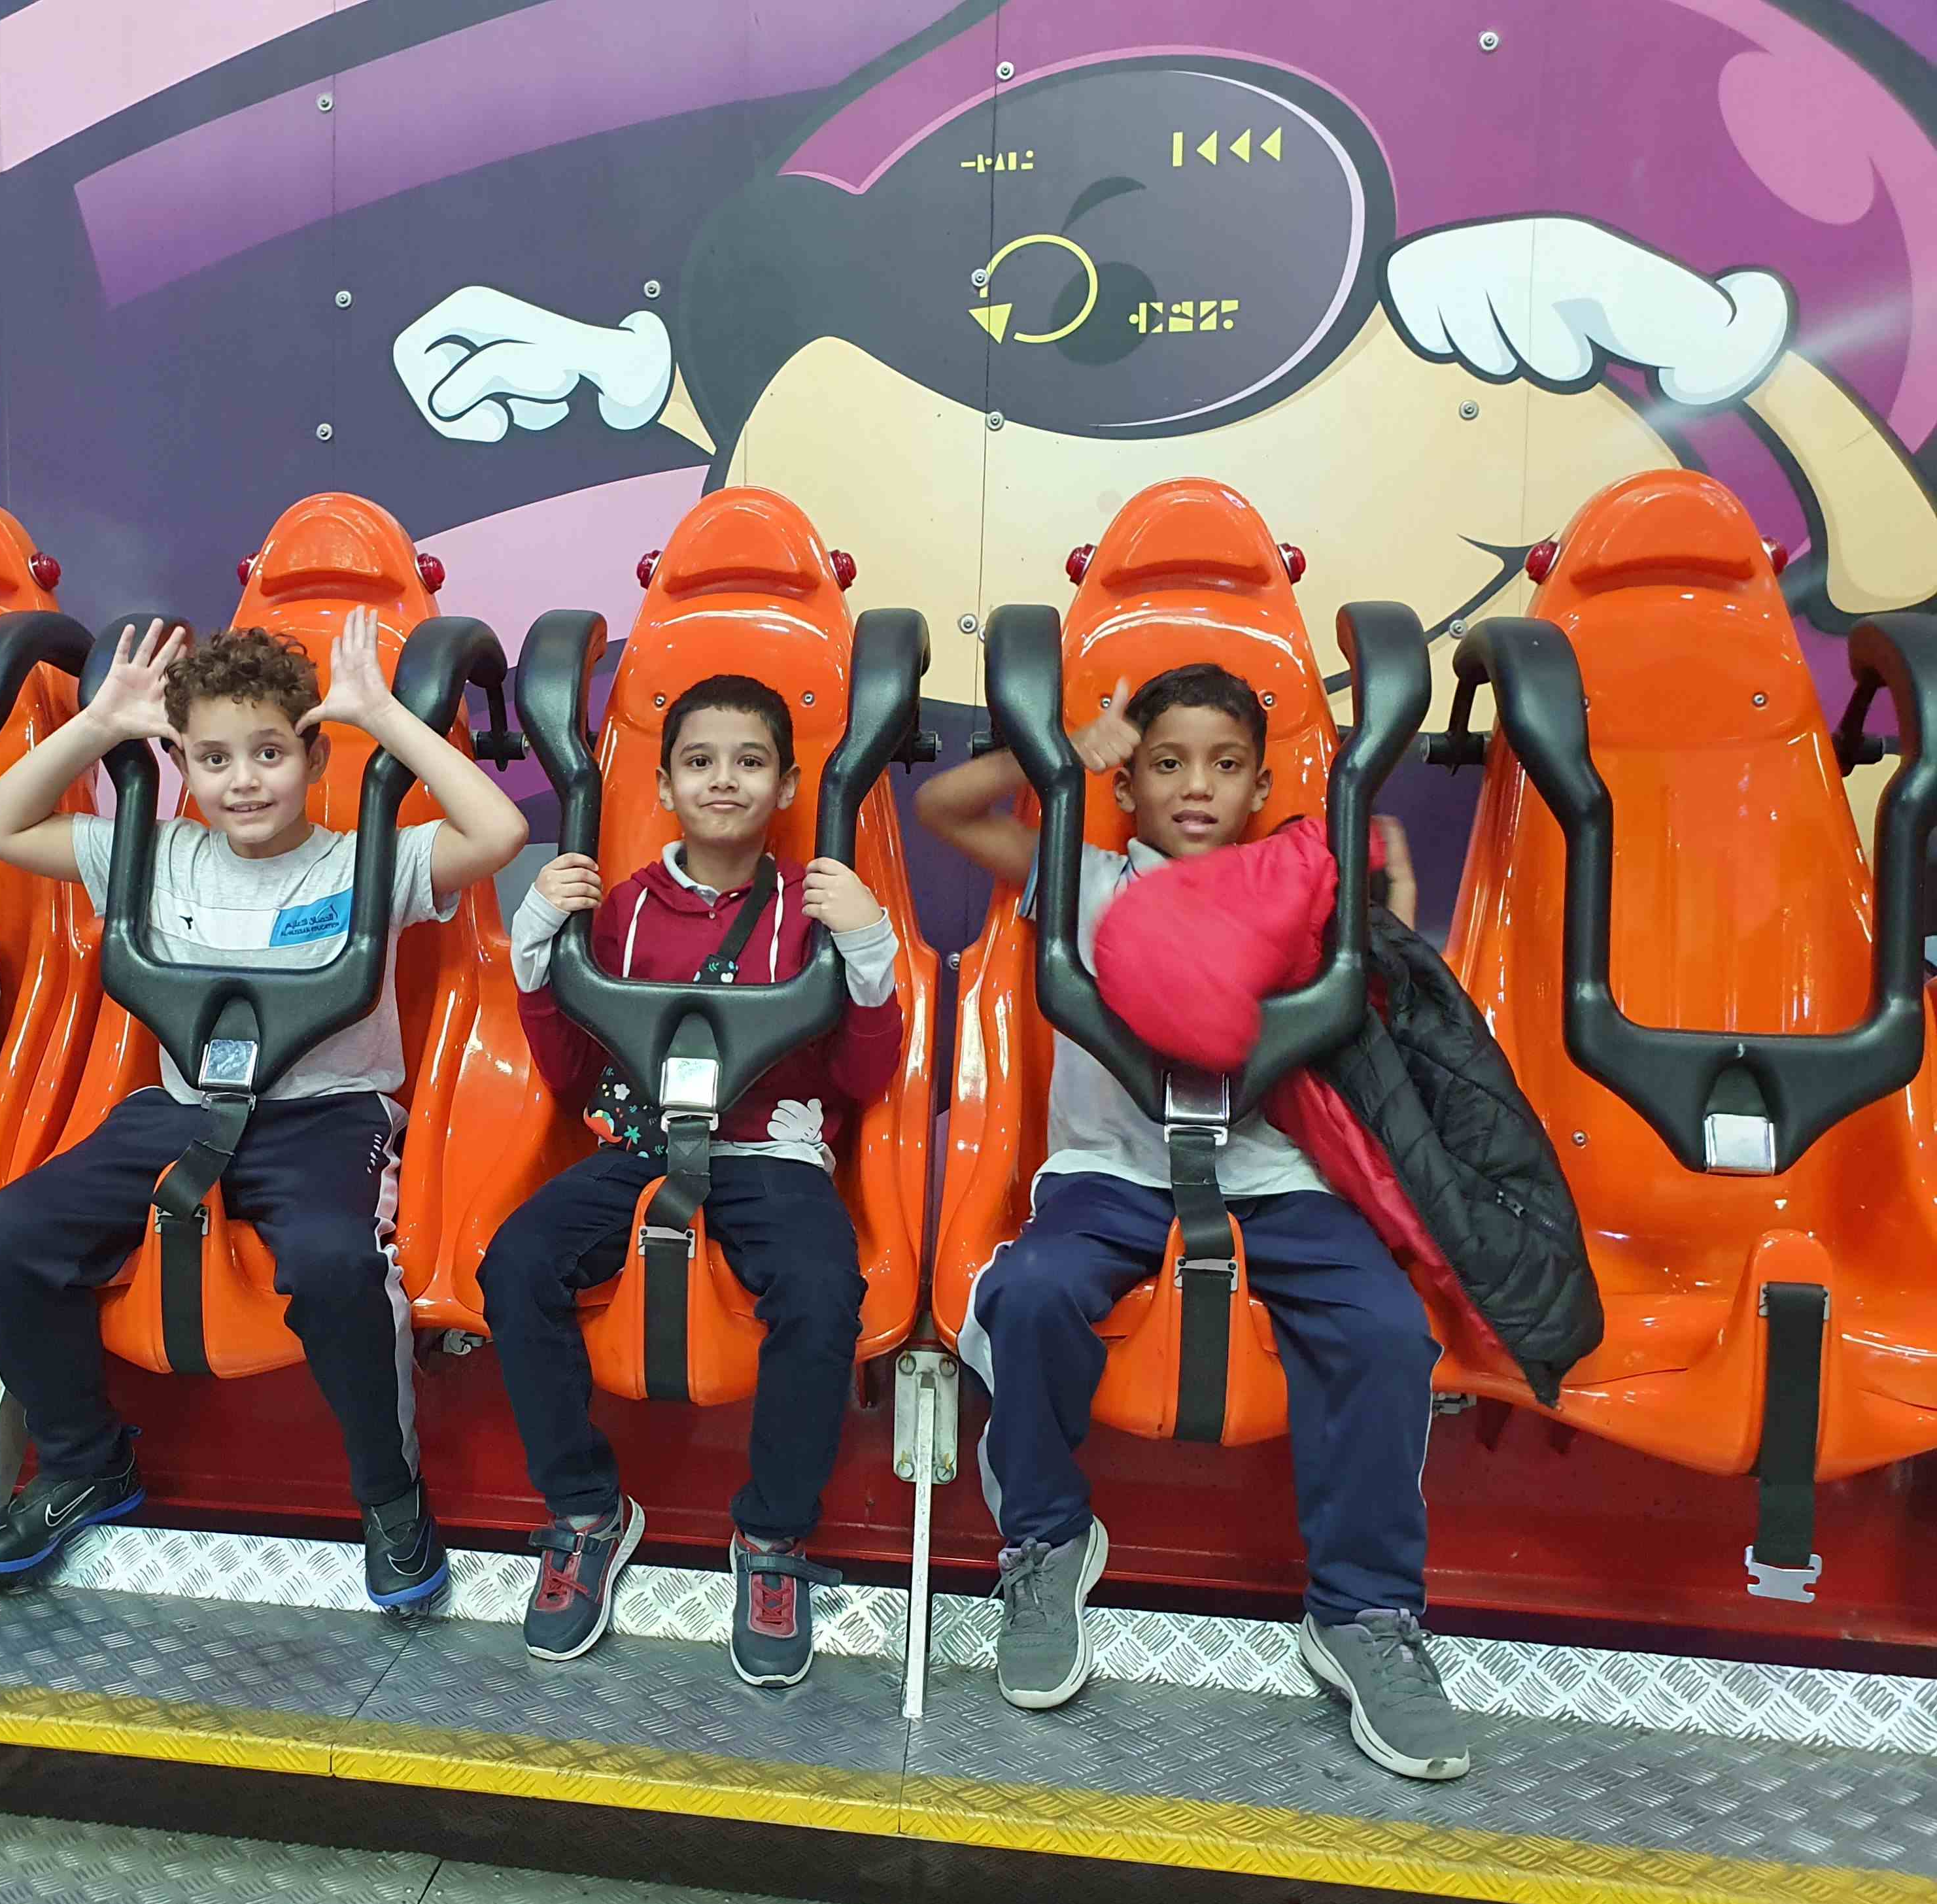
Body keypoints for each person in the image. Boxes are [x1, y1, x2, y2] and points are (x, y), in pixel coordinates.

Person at [914, 661, 1468, 1781]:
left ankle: (1363, 1614)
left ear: (1261, 786)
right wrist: (1070, 753)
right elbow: (944, 810)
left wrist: (1395, 914)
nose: (1196, 786)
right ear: (1130, 786)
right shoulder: (1088, 876)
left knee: (1385, 1333)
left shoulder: (1301, 887)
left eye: (1224, 766)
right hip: (1113, 1176)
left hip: (1279, 1179)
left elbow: (1383, 1020)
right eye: (1168, 764)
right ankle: (1045, 1543)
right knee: (1029, 1295)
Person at [0, 607, 527, 1610]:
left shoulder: (364, 862)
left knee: (335, 1264)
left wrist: (382, 717)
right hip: (180, 1107)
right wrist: (101, 724)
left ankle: (390, 1495)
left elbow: (499, 833)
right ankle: (87, 1463)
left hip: (325, 1116)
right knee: (7, 1238)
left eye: (270, 752)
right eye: (214, 759)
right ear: (181, 764)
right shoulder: (155, 855)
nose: (244, 781)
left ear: (313, 756)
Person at [479, 674, 901, 1686]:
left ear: (787, 786)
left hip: (769, 1158)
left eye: (750, 763)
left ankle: (771, 1537)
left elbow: (862, 1078)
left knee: (822, 1294)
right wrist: (537, 945)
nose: (724, 780)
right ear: (664, 784)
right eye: (700, 762)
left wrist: (868, 947)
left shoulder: (814, 906)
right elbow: (569, 1072)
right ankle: (585, 1513)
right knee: (516, 1264)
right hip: (637, 1147)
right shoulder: (624, 911)